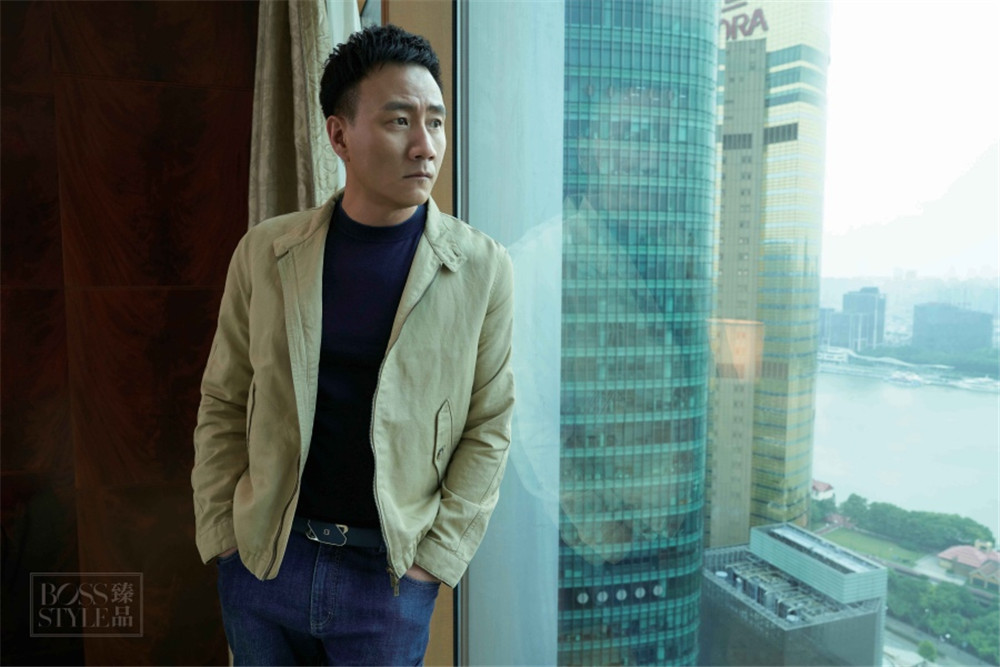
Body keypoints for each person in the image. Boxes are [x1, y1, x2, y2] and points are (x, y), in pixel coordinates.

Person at [191, 24, 514, 666]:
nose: (425, 145)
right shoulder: (267, 251)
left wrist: (432, 563)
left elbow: (490, 425)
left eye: (436, 122)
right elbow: (224, 399)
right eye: (399, 121)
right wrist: (225, 536)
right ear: (339, 136)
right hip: (266, 564)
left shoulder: (481, 268)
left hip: (388, 582)